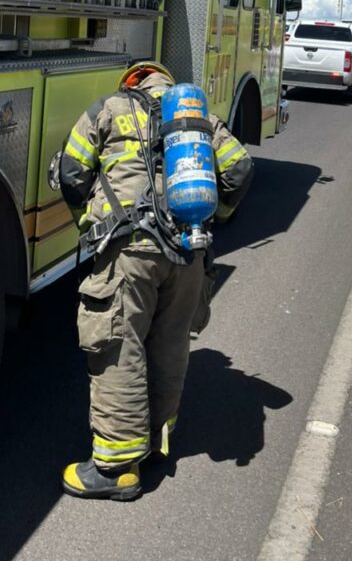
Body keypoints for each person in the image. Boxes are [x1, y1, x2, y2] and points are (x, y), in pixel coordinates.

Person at [59, 61, 253, 501]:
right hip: (190, 247)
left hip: (131, 249)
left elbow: (71, 173)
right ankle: (157, 440)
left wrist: (88, 223)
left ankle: (116, 468)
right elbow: (239, 172)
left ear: (132, 81)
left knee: (117, 345)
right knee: (169, 342)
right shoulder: (196, 120)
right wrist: (213, 217)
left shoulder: (109, 108)